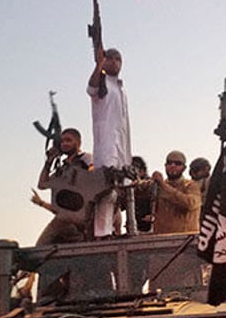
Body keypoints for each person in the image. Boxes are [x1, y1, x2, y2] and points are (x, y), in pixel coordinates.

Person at [87, 47, 132, 238]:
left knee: (123, 191)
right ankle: (102, 233)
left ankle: (120, 230)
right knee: (106, 192)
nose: (114, 62)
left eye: (118, 59)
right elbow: (91, 88)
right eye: (110, 58)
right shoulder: (102, 83)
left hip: (122, 146)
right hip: (106, 146)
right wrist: (98, 65)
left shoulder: (121, 88)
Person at [32, 127, 94, 245]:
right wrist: (49, 161)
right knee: (42, 247)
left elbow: (93, 172)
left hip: (81, 214)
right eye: (62, 141)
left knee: (41, 247)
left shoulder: (85, 158)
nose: (64, 144)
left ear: (78, 143)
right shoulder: (62, 168)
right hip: (66, 217)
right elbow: (42, 184)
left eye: (68, 140)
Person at [149, 150, 202, 234]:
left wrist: (163, 185)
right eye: (169, 163)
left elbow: (190, 204)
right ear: (165, 166)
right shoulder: (158, 186)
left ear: (184, 168)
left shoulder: (191, 186)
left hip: (185, 241)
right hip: (161, 240)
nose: (172, 166)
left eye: (177, 163)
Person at [130, 156, 153, 233]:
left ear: (143, 171)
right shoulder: (130, 187)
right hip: (135, 226)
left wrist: (153, 216)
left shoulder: (151, 185)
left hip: (150, 226)